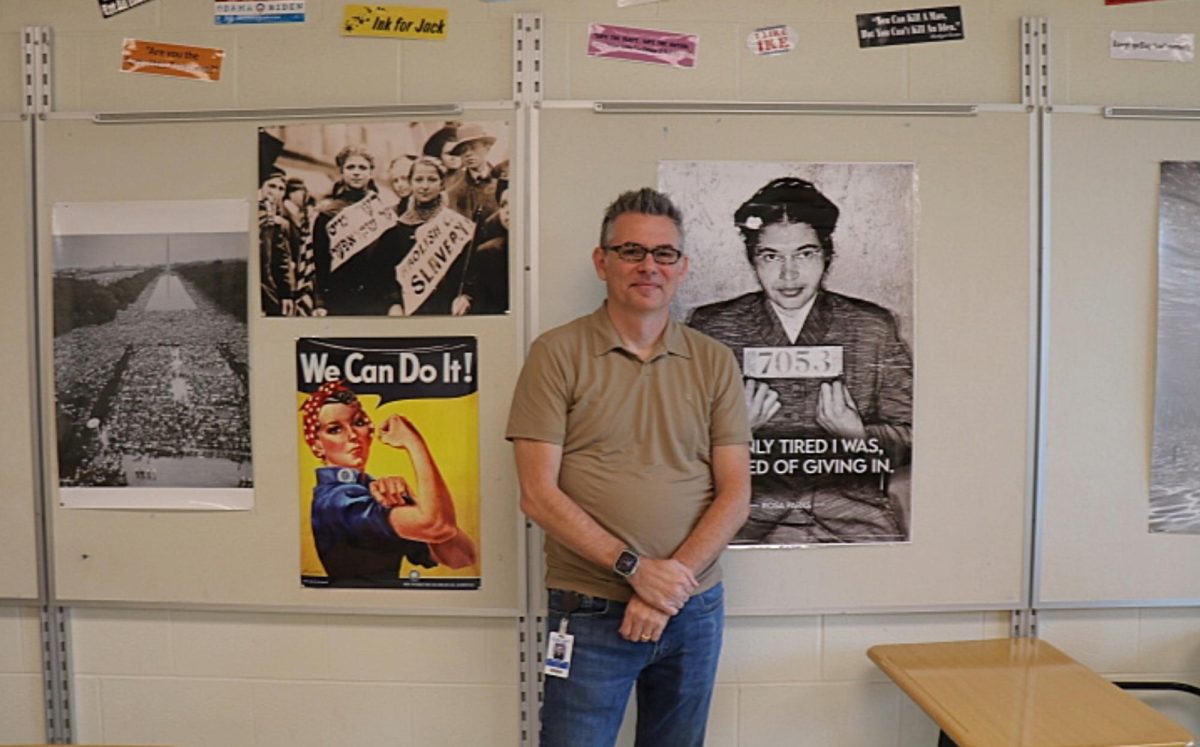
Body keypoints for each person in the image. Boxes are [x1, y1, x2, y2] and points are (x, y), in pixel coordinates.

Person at [506, 188, 751, 747]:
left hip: (693, 609)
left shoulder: (714, 362)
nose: (649, 266)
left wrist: (665, 587)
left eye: (664, 254)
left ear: (682, 267)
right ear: (602, 261)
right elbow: (537, 495)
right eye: (631, 251)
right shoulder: (556, 353)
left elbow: (735, 495)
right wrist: (635, 570)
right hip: (590, 611)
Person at [686, 177, 913, 544]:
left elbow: (913, 436)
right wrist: (734, 428)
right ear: (752, 260)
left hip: (851, 518)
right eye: (771, 256)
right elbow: (676, 443)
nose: (788, 274)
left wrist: (858, 434)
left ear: (827, 255)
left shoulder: (872, 327)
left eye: (805, 254)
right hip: (741, 519)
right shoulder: (712, 328)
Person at [301, 380, 476, 585]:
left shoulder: (368, 490)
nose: (352, 436)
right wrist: (414, 443)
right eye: (334, 429)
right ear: (317, 445)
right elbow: (438, 526)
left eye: (358, 423)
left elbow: (461, 557)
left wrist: (410, 501)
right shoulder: (336, 500)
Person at [377, 156, 474, 315]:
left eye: (432, 179)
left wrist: (465, 297)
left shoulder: (456, 225)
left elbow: (470, 271)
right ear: (411, 183)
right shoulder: (395, 230)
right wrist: (393, 304)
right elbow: (384, 275)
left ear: (442, 184)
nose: (425, 186)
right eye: (419, 180)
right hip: (409, 310)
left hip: (449, 309)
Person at [310, 144, 395, 315]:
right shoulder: (327, 214)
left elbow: (391, 261)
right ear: (341, 172)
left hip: (377, 299)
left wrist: (394, 300)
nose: (356, 172)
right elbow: (320, 262)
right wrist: (320, 302)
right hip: (340, 297)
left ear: (371, 173)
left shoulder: (382, 211)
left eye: (362, 168)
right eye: (350, 167)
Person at [445, 123, 500, 221]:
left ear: (487, 148)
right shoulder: (453, 193)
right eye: (463, 150)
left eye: (473, 147)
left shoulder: (503, 182)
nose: (468, 154)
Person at [258, 168, 292, 315]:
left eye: (281, 189)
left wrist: (286, 293)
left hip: (268, 287)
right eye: (271, 186)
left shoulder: (278, 222)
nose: (276, 192)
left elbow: (280, 259)